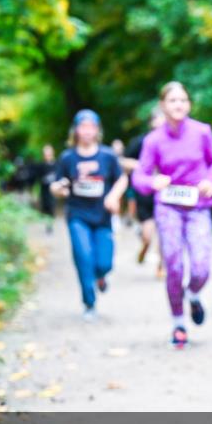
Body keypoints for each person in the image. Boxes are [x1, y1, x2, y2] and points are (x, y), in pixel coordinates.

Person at [132, 82, 212, 349]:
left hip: (198, 206)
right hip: (168, 207)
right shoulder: (153, 140)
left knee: (200, 266)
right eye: (173, 100)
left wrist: (211, 180)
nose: (178, 105)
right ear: (163, 105)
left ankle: (193, 295)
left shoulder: (202, 132)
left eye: (183, 100)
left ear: (189, 104)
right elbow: (139, 175)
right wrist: (153, 183)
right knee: (173, 264)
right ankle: (178, 323)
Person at [50, 109, 128, 321]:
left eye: (91, 127)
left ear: (97, 130)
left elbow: (122, 179)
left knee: (104, 263)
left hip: (102, 217)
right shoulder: (68, 157)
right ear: (75, 130)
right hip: (78, 216)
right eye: (82, 127)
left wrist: (113, 196)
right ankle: (89, 302)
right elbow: (56, 185)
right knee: (83, 256)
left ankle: (101, 276)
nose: (86, 131)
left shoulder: (107, 156)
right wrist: (60, 189)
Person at [122, 106, 167, 275]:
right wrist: (142, 167)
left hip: (165, 194)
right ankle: (144, 247)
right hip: (145, 194)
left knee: (164, 233)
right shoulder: (141, 142)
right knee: (148, 235)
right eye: (157, 119)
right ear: (151, 123)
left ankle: (161, 266)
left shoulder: (173, 142)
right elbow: (123, 161)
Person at [36, 144, 57, 234]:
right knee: (45, 208)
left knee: (51, 207)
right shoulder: (41, 165)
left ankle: (50, 225)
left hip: (53, 191)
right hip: (44, 190)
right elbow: (38, 177)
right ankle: (48, 223)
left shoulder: (56, 164)